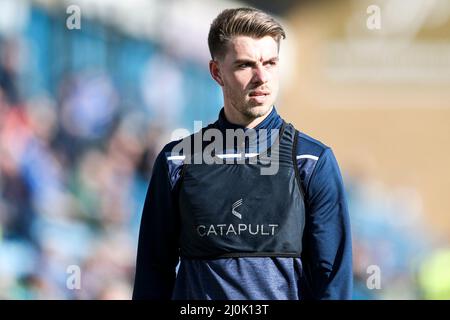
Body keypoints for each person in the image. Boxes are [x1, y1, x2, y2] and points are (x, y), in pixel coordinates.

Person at [132, 7, 352, 300]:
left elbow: (334, 283)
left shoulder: (311, 162)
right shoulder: (178, 161)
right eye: (245, 65)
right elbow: (152, 275)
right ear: (216, 72)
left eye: (271, 63)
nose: (261, 77)